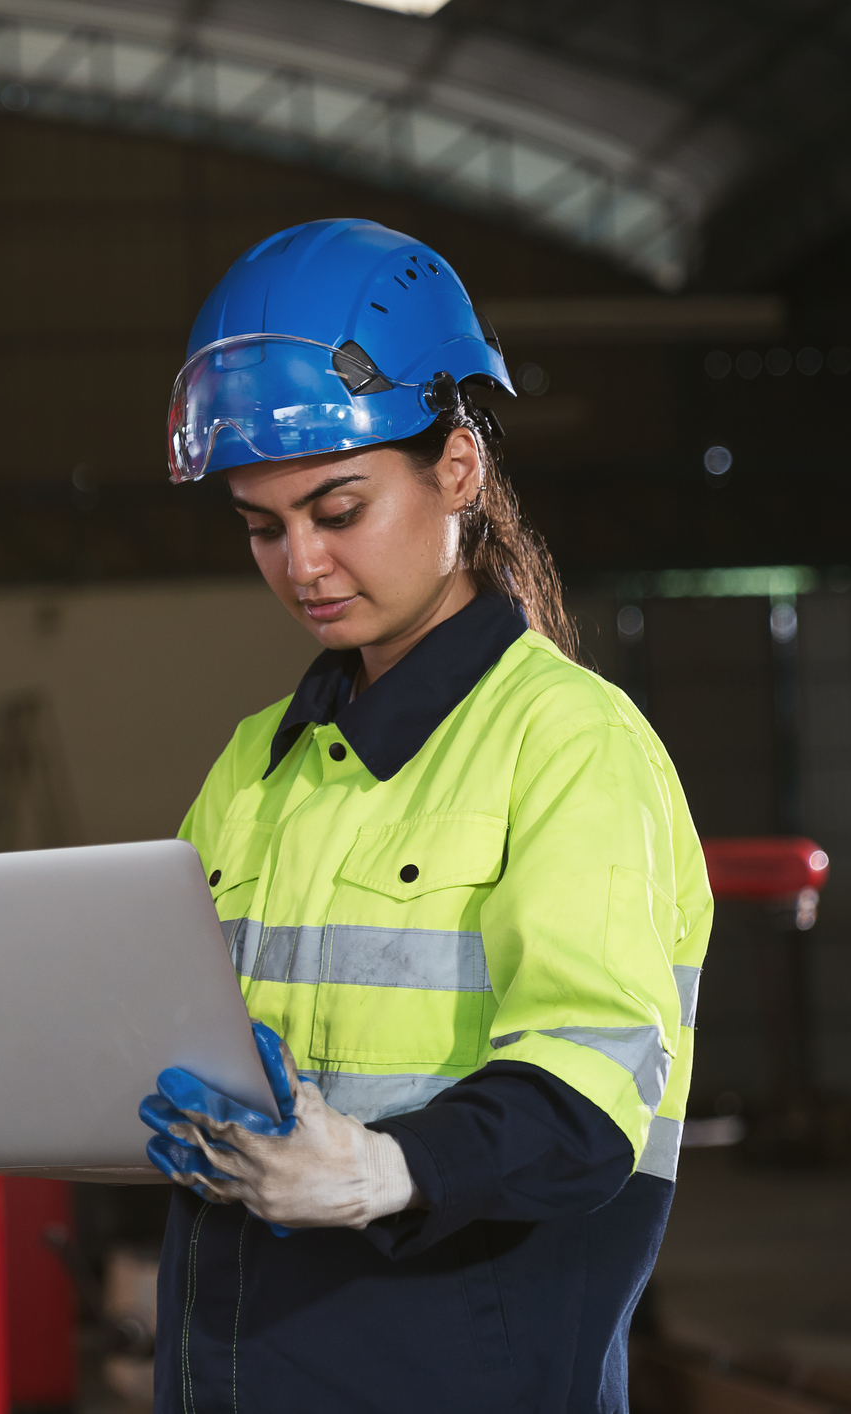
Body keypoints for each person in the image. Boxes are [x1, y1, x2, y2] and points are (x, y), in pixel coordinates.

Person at [138, 218, 711, 1413]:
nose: (301, 562)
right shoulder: (257, 765)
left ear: (459, 466)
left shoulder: (566, 744)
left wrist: (382, 1170)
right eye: (262, 524)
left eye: (337, 508)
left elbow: (593, 1086)